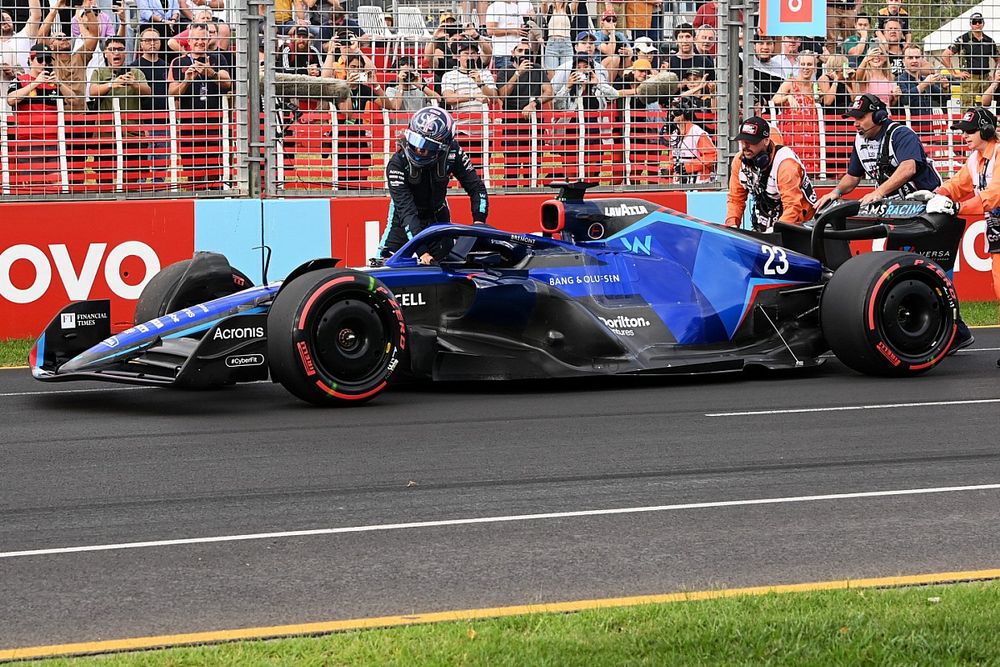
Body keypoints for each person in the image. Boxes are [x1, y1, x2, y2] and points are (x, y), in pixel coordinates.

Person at [375, 107, 489, 265]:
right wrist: (422, 252)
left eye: (425, 146)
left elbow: (476, 188)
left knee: (449, 269)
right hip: (402, 222)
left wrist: (479, 223)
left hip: (438, 219)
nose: (418, 149)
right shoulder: (397, 163)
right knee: (383, 268)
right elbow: (406, 211)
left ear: (441, 147)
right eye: (414, 142)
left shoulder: (453, 152)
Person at [924, 107, 1000, 327]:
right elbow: (957, 184)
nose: (963, 135)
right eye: (962, 131)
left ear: (986, 131)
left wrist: (956, 207)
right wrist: (935, 194)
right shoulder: (974, 160)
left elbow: (994, 196)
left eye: (969, 131)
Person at [816, 93, 940, 210]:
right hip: (894, 205)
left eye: (860, 117)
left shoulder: (901, 134)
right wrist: (835, 193)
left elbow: (908, 168)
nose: (856, 124)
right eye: (854, 119)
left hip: (926, 201)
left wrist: (878, 192)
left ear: (878, 116)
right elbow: (853, 177)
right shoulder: (860, 140)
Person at [725, 116, 817, 232]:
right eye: (742, 141)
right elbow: (735, 198)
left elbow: (793, 207)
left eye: (751, 142)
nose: (745, 147)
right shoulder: (739, 161)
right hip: (768, 215)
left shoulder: (786, 164)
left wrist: (774, 234)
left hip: (800, 223)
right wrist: (732, 225)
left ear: (766, 141)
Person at [941, 13, 1000, 111]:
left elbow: (998, 59)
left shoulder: (989, 41)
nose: (977, 24)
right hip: (969, 78)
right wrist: (954, 74)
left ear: (983, 24)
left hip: (985, 77)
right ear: (970, 24)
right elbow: (945, 55)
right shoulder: (963, 39)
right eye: (974, 22)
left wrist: (994, 76)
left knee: (987, 108)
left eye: (979, 22)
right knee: (967, 110)